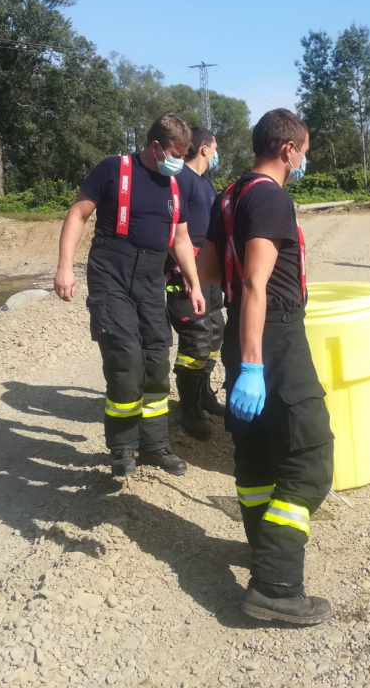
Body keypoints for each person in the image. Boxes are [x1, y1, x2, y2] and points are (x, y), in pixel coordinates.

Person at [197, 109, 335, 625]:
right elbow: (256, 283)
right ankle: (276, 587)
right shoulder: (271, 195)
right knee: (310, 455)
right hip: (271, 337)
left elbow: (212, 270)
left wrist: (243, 354)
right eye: (305, 150)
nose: (305, 160)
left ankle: (263, 549)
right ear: (288, 150)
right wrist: (255, 365)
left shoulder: (229, 195)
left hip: (242, 332)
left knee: (255, 449)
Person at [54, 113, 204, 479]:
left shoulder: (176, 184)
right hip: (112, 273)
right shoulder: (112, 170)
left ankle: (154, 445)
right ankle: (123, 448)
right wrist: (64, 266)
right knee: (126, 360)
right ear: (155, 146)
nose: (178, 162)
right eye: (173, 153)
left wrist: (195, 284)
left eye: (184, 156)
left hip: (152, 277)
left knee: (156, 358)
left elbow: (181, 239)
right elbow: (78, 215)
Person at [167, 128, 225, 440]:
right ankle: (187, 408)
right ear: (203, 149)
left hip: (207, 272)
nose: (216, 155)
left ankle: (203, 393)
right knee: (197, 338)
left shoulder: (205, 182)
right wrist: (188, 276)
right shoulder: (181, 181)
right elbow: (176, 234)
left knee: (215, 332)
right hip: (185, 275)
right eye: (214, 149)